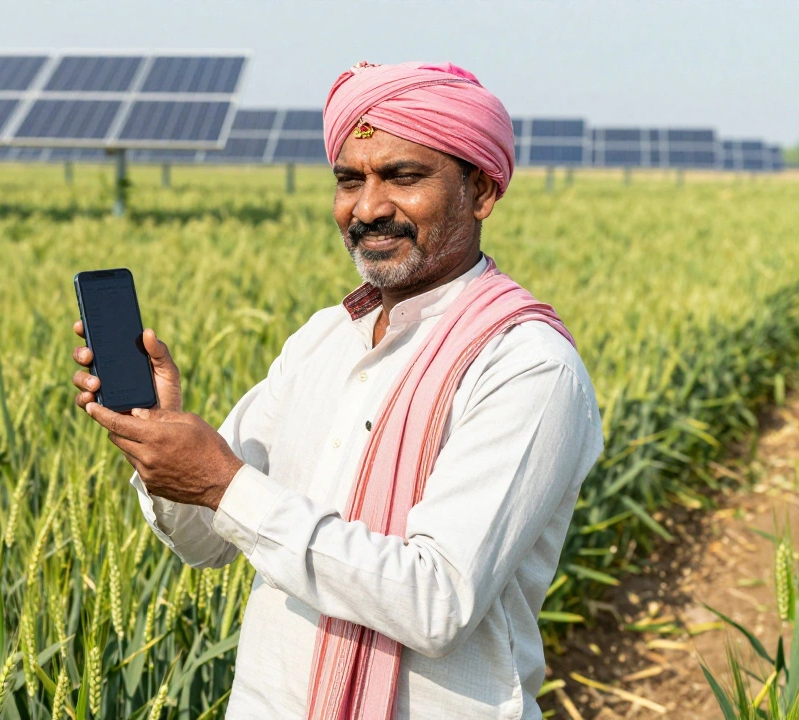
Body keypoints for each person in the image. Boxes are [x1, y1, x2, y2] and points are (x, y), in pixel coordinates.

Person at [70, 61, 603, 720]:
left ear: (483, 190)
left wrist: (221, 481)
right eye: (350, 180)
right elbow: (205, 542)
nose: (368, 207)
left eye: (403, 177)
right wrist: (156, 440)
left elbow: (437, 601)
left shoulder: (525, 367)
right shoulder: (322, 341)